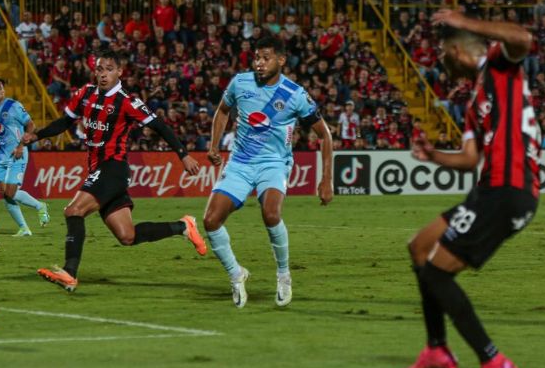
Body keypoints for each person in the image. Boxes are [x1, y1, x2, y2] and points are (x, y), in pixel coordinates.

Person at [404, 10, 540, 368]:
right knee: (419, 247)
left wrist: (465, 23)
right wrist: (434, 156)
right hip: (488, 190)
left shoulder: (499, 64)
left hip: (510, 190)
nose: (439, 62)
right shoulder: (475, 98)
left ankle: (493, 360)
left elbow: (523, 39)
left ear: (458, 51)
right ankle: (436, 350)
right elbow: (468, 157)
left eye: (442, 53)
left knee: (436, 273)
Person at [23, 50, 206, 292]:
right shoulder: (85, 94)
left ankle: (69, 272)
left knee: (73, 210)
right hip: (98, 169)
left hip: (113, 168)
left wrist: (183, 155)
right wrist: (37, 135)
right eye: (99, 68)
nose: (103, 74)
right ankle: (183, 227)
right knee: (127, 236)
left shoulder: (127, 101)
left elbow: (159, 126)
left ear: (119, 72)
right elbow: (64, 122)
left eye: (109, 68)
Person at [203, 36, 334, 309]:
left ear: (281, 60)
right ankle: (236, 274)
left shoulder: (295, 94)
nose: (259, 63)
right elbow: (222, 111)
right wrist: (214, 145)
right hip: (240, 162)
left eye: (266, 58)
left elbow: (325, 135)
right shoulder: (240, 82)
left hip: (274, 163)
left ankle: (284, 275)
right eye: (256, 58)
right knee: (211, 220)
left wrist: (326, 180)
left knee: (271, 213)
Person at [0, 77, 49, 237]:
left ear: (4, 91)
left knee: (10, 192)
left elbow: (31, 125)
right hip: (0, 156)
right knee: (4, 193)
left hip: (17, 154)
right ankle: (24, 228)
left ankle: (40, 206)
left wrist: (21, 145)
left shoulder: (14, 106)